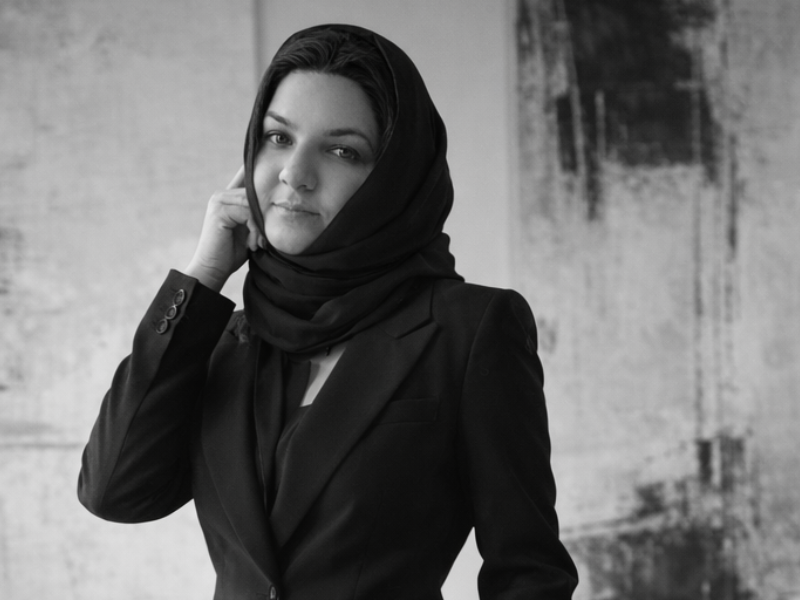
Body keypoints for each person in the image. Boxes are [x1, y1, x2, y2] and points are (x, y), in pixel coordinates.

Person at [78, 23, 577, 599]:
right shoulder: (221, 340)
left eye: (342, 151)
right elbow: (115, 492)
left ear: (393, 179)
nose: (295, 173)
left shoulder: (468, 330)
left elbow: (529, 573)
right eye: (278, 137)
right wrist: (204, 276)